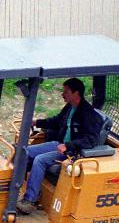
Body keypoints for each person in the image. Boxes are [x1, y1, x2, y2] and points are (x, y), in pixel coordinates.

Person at [16, 78, 104, 215]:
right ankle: (18, 189)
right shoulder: (70, 107)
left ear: (76, 93)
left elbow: (91, 139)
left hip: (72, 152)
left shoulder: (89, 115)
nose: (63, 95)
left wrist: (68, 145)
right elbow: (57, 121)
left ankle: (30, 200)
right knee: (24, 152)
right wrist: (36, 122)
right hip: (59, 144)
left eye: (66, 92)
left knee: (40, 160)